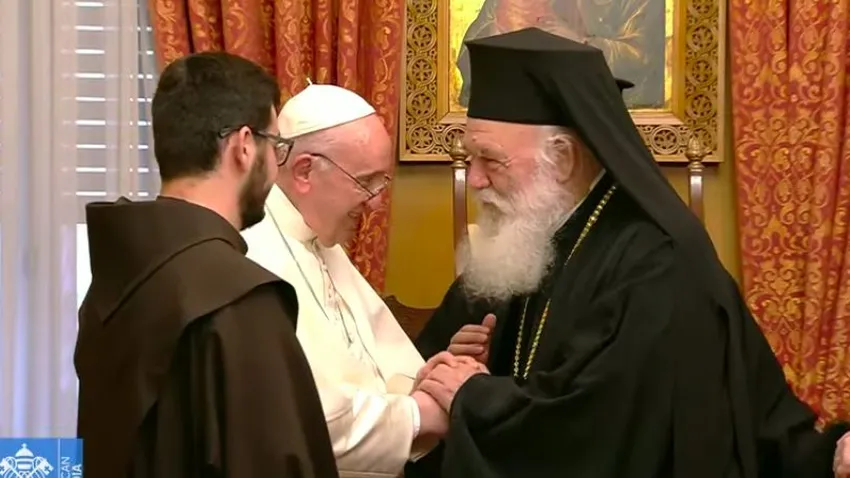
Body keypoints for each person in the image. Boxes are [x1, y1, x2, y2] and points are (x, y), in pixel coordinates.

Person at [405, 28, 850, 478]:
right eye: (470, 157)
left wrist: (475, 397)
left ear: (563, 159)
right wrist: (456, 360)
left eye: (490, 159)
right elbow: (435, 361)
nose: (474, 179)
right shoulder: (525, 239)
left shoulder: (655, 263)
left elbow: (602, 426)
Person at [75, 52, 339, 478]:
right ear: (244, 146)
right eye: (277, 147)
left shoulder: (116, 274)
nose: (276, 168)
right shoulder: (240, 299)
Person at [241, 84, 451, 478]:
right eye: (366, 181)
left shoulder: (322, 241)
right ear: (304, 171)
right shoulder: (252, 255)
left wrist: (428, 381)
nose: (376, 202)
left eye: (381, 182)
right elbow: (305, 421)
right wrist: (421, 413)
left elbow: (376, 365)